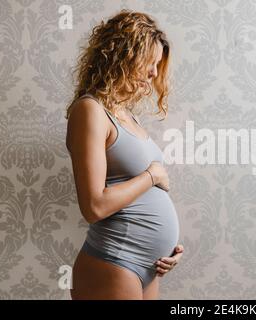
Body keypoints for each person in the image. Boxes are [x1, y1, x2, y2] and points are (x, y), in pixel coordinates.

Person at [65, 9, 184, 300]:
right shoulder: (90, 110)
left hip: (149, 267)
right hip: (114, 261)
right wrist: (151, 176)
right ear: (125, 56)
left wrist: (169, 247)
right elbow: (94, 206)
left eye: (158, 64)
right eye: (150, 62)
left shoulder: (126, 114)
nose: (155, 73)